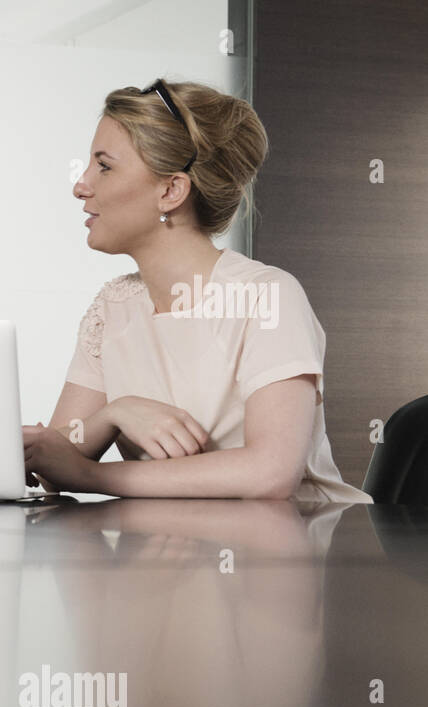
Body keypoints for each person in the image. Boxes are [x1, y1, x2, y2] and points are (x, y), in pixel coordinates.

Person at [24, 79, 372, 503]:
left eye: (105, 166)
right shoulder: (113, 307)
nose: (80, 186)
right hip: (183, 551)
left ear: (171, 191)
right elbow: (55, 458)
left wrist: (90, 476)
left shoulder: (267, 297)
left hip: (303, 548)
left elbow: (269, 474)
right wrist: (118, 411)